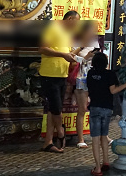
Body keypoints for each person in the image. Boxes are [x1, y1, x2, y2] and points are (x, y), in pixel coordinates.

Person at [86, 52, 126, 176]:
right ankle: (106, 162)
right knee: (104, 136)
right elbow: (113, 90)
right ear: (105, 63)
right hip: (107, 108)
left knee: (95, 138)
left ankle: (97, 168)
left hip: (94, 108)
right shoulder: (109, 74)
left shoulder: (90, 73)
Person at [39, 11, 79, 153]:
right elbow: (43, 49)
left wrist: (73, 57)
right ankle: (61, 132)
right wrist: (62, 54)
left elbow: (67, 53)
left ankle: (48, 142)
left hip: (61, 75)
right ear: (69, 18)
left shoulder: (67, 33)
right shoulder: (52, 28)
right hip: (49, 74)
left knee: (53, 109)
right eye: (76, 22)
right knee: (56, 108)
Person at [73, 21, 100, 148]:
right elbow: (71, 59)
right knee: (82, 109)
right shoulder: (76, 42)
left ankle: (102, 136)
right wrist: (84, 55)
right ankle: (80, 139)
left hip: (94, 77)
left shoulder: (95, 43)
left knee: (96, 109)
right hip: (81, 78)